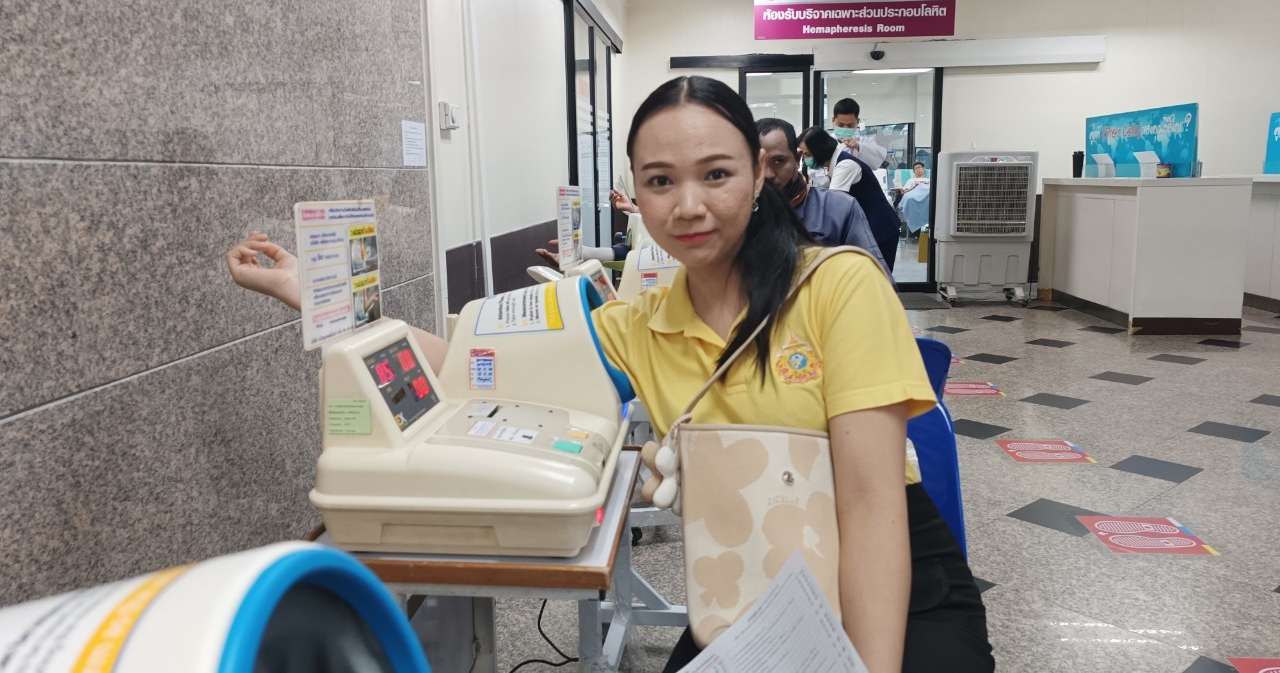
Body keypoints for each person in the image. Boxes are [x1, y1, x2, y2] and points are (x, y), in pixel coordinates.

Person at [227, 75, 992, 673]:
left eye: (716, 174)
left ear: (759, 177)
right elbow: (464, 364)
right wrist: (318, 296)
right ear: (635, 192)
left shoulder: (837, 286)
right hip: (754, 595)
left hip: (897, 593)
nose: (688, 206)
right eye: (660, 181)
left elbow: (870, 504)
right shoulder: (638, 325)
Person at [755, 117, 889, 274]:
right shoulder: (740, 213)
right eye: (757, 163)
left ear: (797, 159)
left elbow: (873, 276)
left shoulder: (840, 208)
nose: (768, 174)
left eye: (779, 161)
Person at [798, 126, 901, 272]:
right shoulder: (835, 164)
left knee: (877, 277)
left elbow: (833, 206)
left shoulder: (846, 166)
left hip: (880, 229)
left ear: (819, 150)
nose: (806, 159)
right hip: (871, 228)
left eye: (808, 154)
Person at [832, 97, 888, 170]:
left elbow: (879, 157)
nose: (845, 128)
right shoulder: (824, 142)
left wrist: (858, 146)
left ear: (857, 122)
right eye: (841, 125)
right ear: (833, 120)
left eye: (850, 125)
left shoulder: (865, 142)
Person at [896, 161, 931, 241]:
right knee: (909, 198)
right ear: (914, 171)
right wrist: (903, 191)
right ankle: (913, 232)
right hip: (914, 197)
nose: (917, 170)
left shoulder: (929, 180)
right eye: (915, 169)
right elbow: (906, 191)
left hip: (926, 196)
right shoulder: (911, 180)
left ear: (924, 169)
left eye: (919, 167)